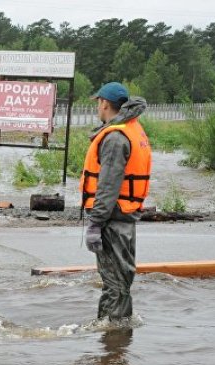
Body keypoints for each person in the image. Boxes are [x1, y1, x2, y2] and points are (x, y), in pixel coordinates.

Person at [80, 82, 151, 321]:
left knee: (114, 283)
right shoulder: (132, 128)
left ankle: (112, 342)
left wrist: (95, 224)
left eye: (98, 103)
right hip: (125, 217)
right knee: (121, 281)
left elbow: (108, 186)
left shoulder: (115, 138)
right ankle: (118, 341)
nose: (97, 108)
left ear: (105, 104)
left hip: (112, 219)